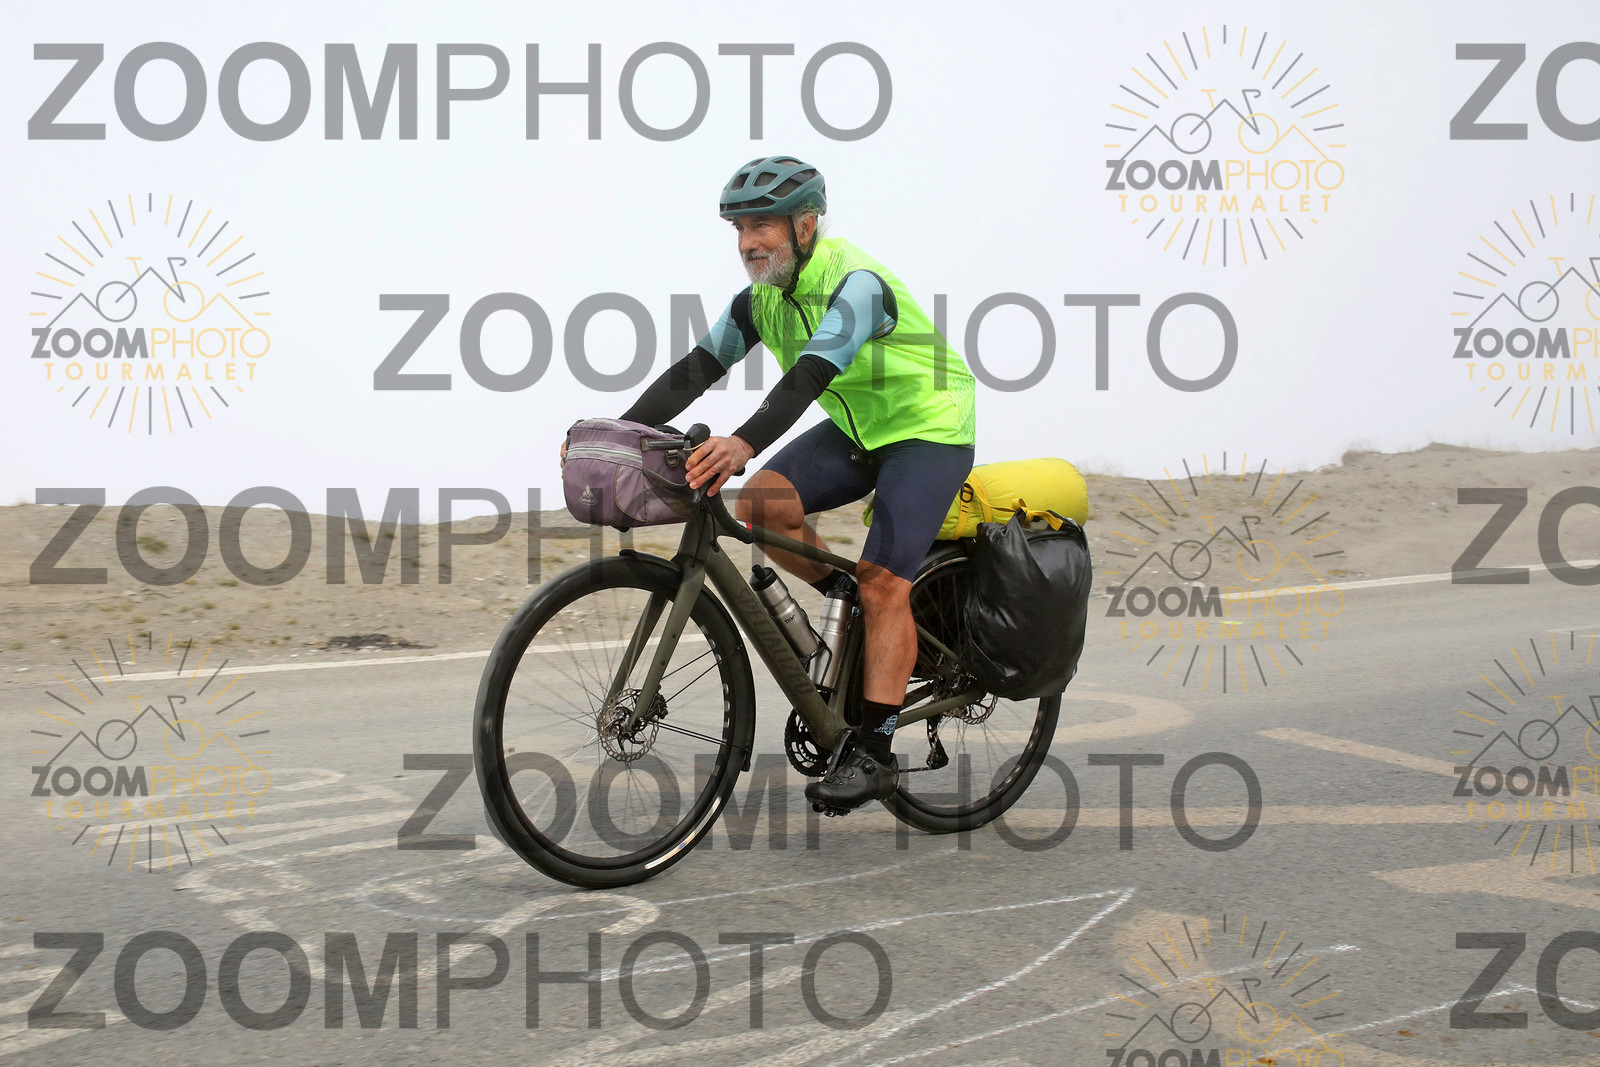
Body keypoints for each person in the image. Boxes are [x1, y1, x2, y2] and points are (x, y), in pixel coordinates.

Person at [613, 155, 976, 809]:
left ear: (804, 227)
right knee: (761, 504)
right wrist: (619, 434)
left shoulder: (856, 285)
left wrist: (742, 442)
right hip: (861, 427)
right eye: (739, 229)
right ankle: (852, 607)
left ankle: (876, 751)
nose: (748, 243)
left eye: (763, 226)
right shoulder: (760, 301)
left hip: (928, 427)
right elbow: (695, 369)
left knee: (884, 581)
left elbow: (809, 376)